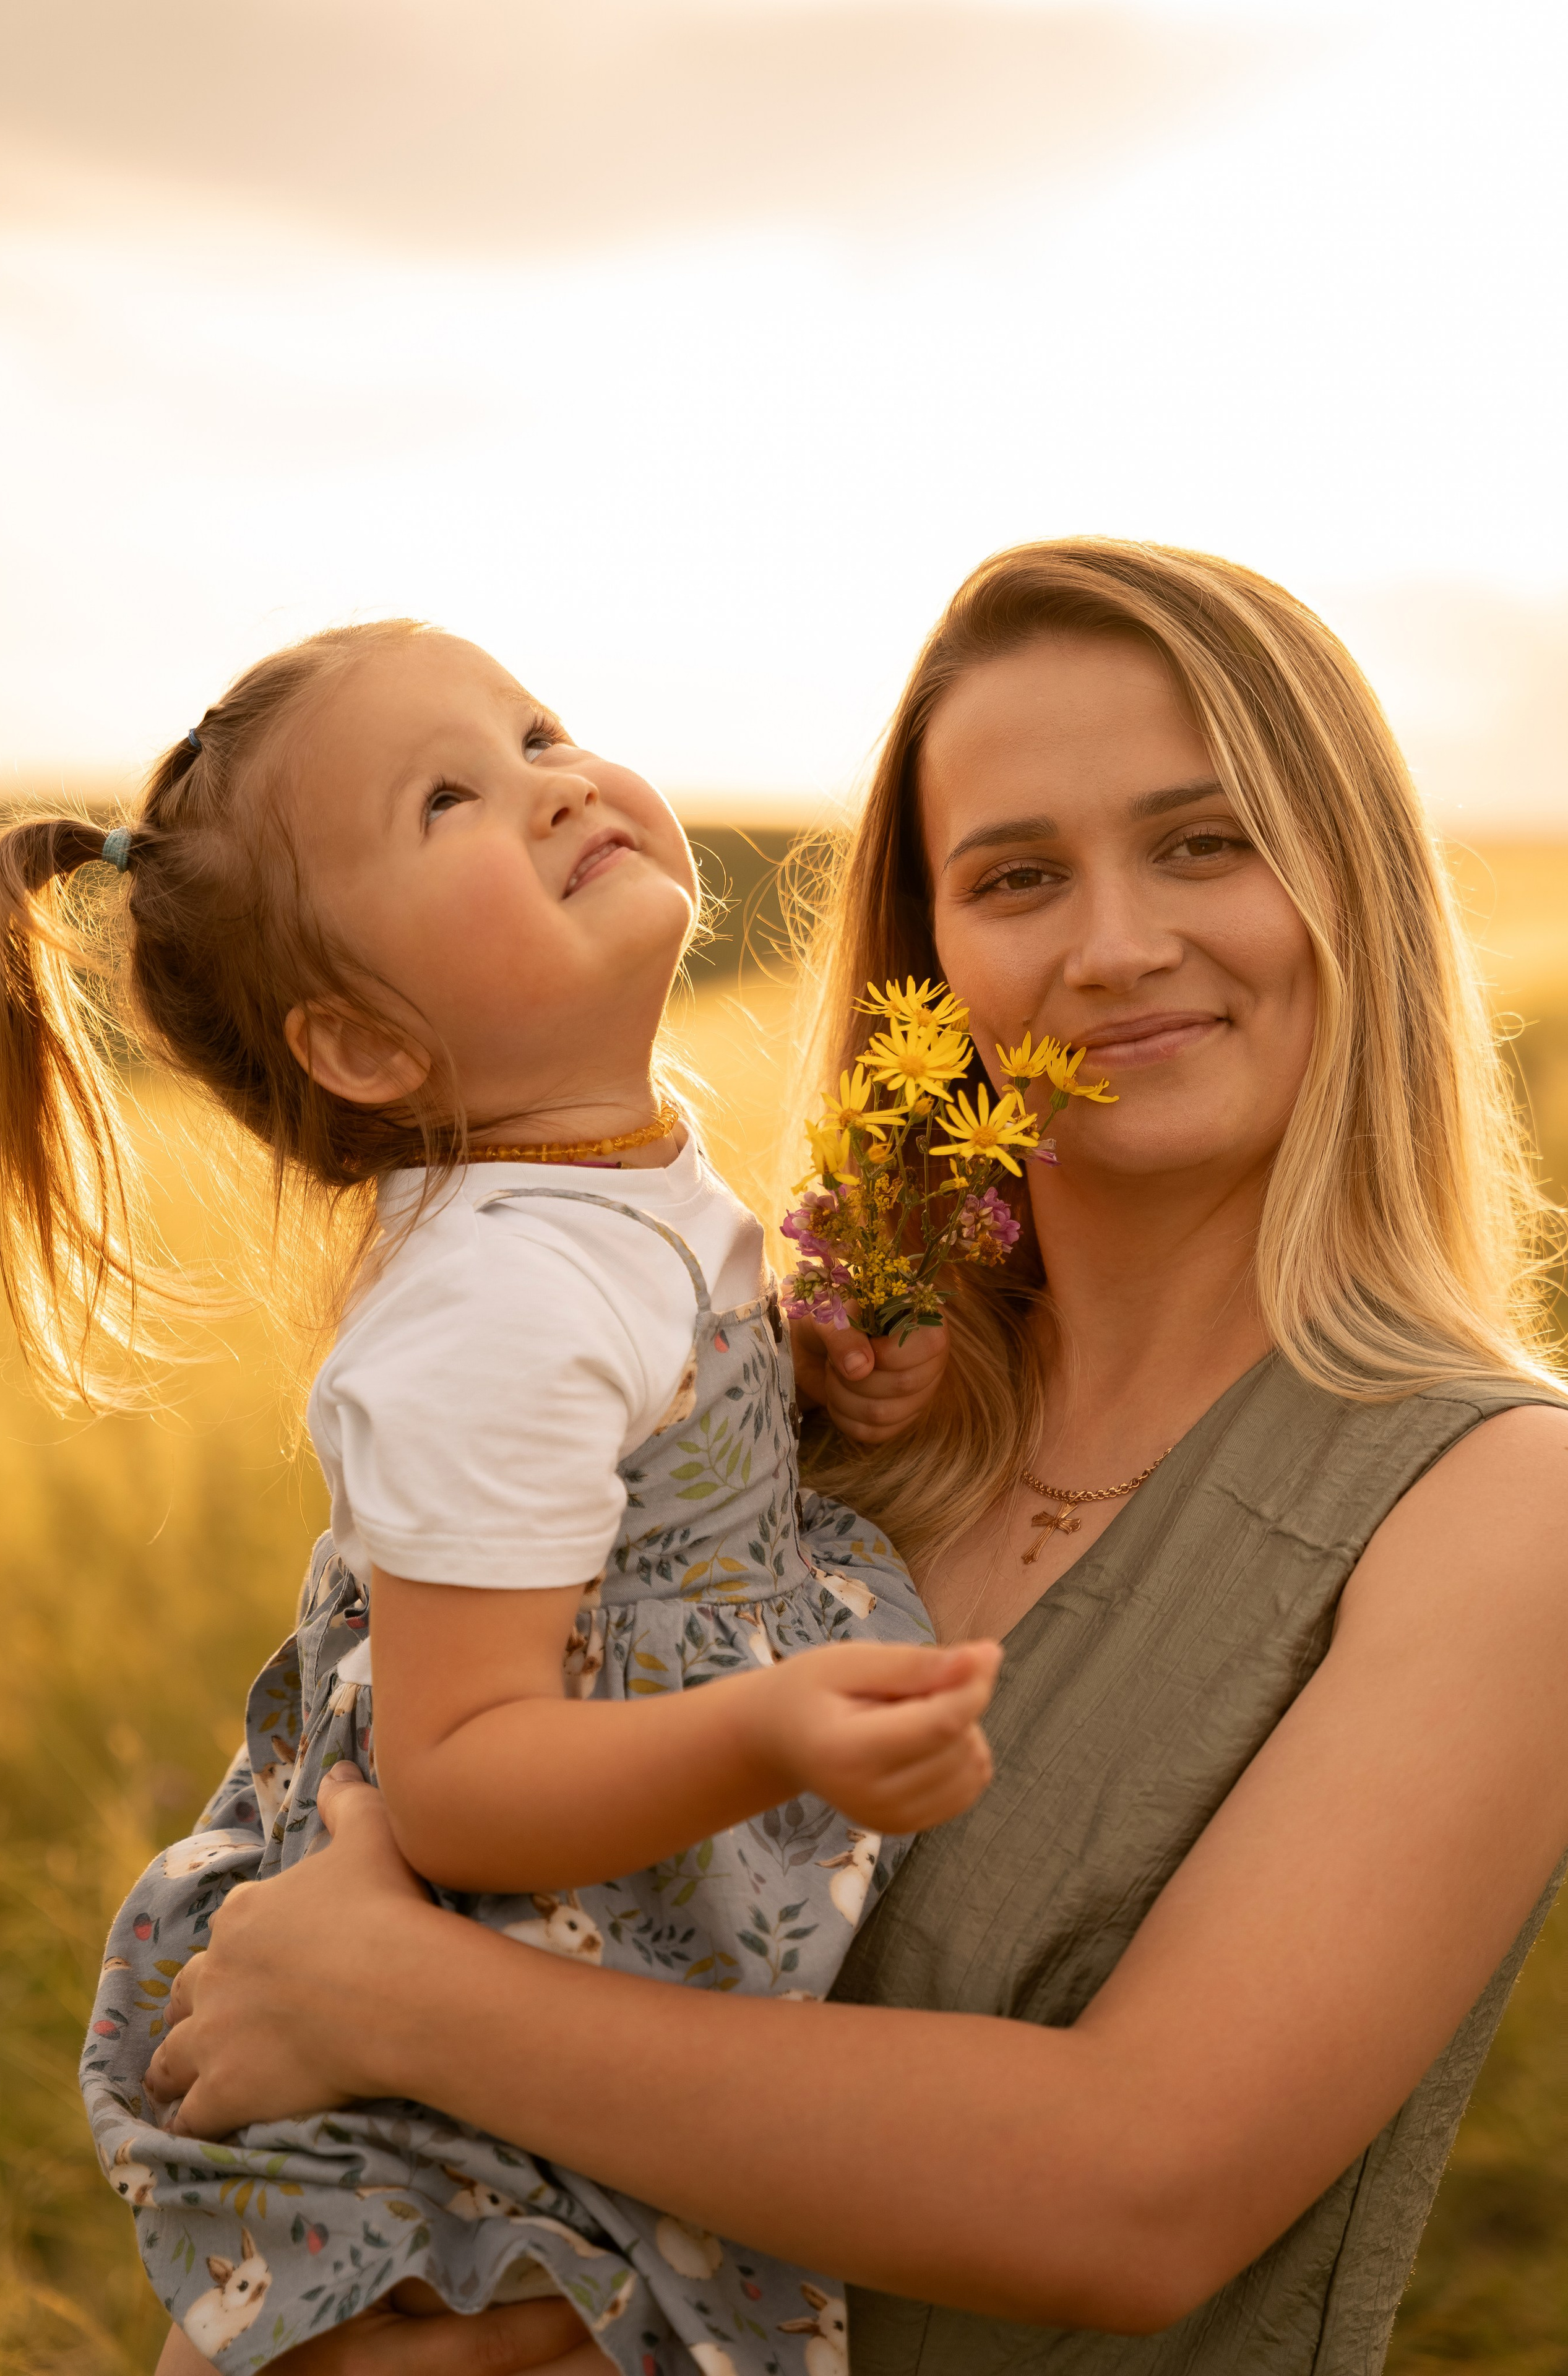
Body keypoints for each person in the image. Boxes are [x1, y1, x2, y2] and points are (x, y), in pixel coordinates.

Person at [145, 540, 1568, 2376]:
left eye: (1205, 841)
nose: (1118, 942)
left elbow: (1136, 2196)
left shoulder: (1494, 1504)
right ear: (936, 955)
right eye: (1020, 876)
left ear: (1356, 881)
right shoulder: (772, 1408)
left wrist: (401, 2006)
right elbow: (400, 1817)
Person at [0, 622, 1007, 2374]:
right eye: (449, 796)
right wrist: (769, 1730)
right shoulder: (497, 1311)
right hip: (516, 1936)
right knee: (531, 2313)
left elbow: (649, 1443)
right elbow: (458, 1788)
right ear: (368, 1051)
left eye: (537, 729)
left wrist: (815, 1385)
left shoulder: (599, 1162)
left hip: (592, 1900)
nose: (550, 783)